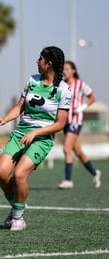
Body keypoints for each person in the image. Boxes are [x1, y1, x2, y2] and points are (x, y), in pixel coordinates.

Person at [0, 46, 72, 231]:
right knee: (1, 171)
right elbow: (20, 107)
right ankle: (17, 207)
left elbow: (60, 124)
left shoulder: (64, 90)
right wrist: (5, 119)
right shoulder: (32, 80)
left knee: (20, 175)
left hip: (42, 138)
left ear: (49, 64)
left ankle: (18, 219)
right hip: (21, 133)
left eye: (40, 59)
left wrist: (36, 133)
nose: (37, 62)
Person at [57, 61, 101, 189]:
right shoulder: (62, 85)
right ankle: (95, 172)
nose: (64, 71)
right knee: (78, 152)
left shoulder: (80, 84)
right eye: (63, 69)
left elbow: (92, 98)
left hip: (76, 121)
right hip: (65, 121)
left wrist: (81, 108)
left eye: (67, 69)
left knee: (66, 148)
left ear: (73, 70)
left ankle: (68, 180)